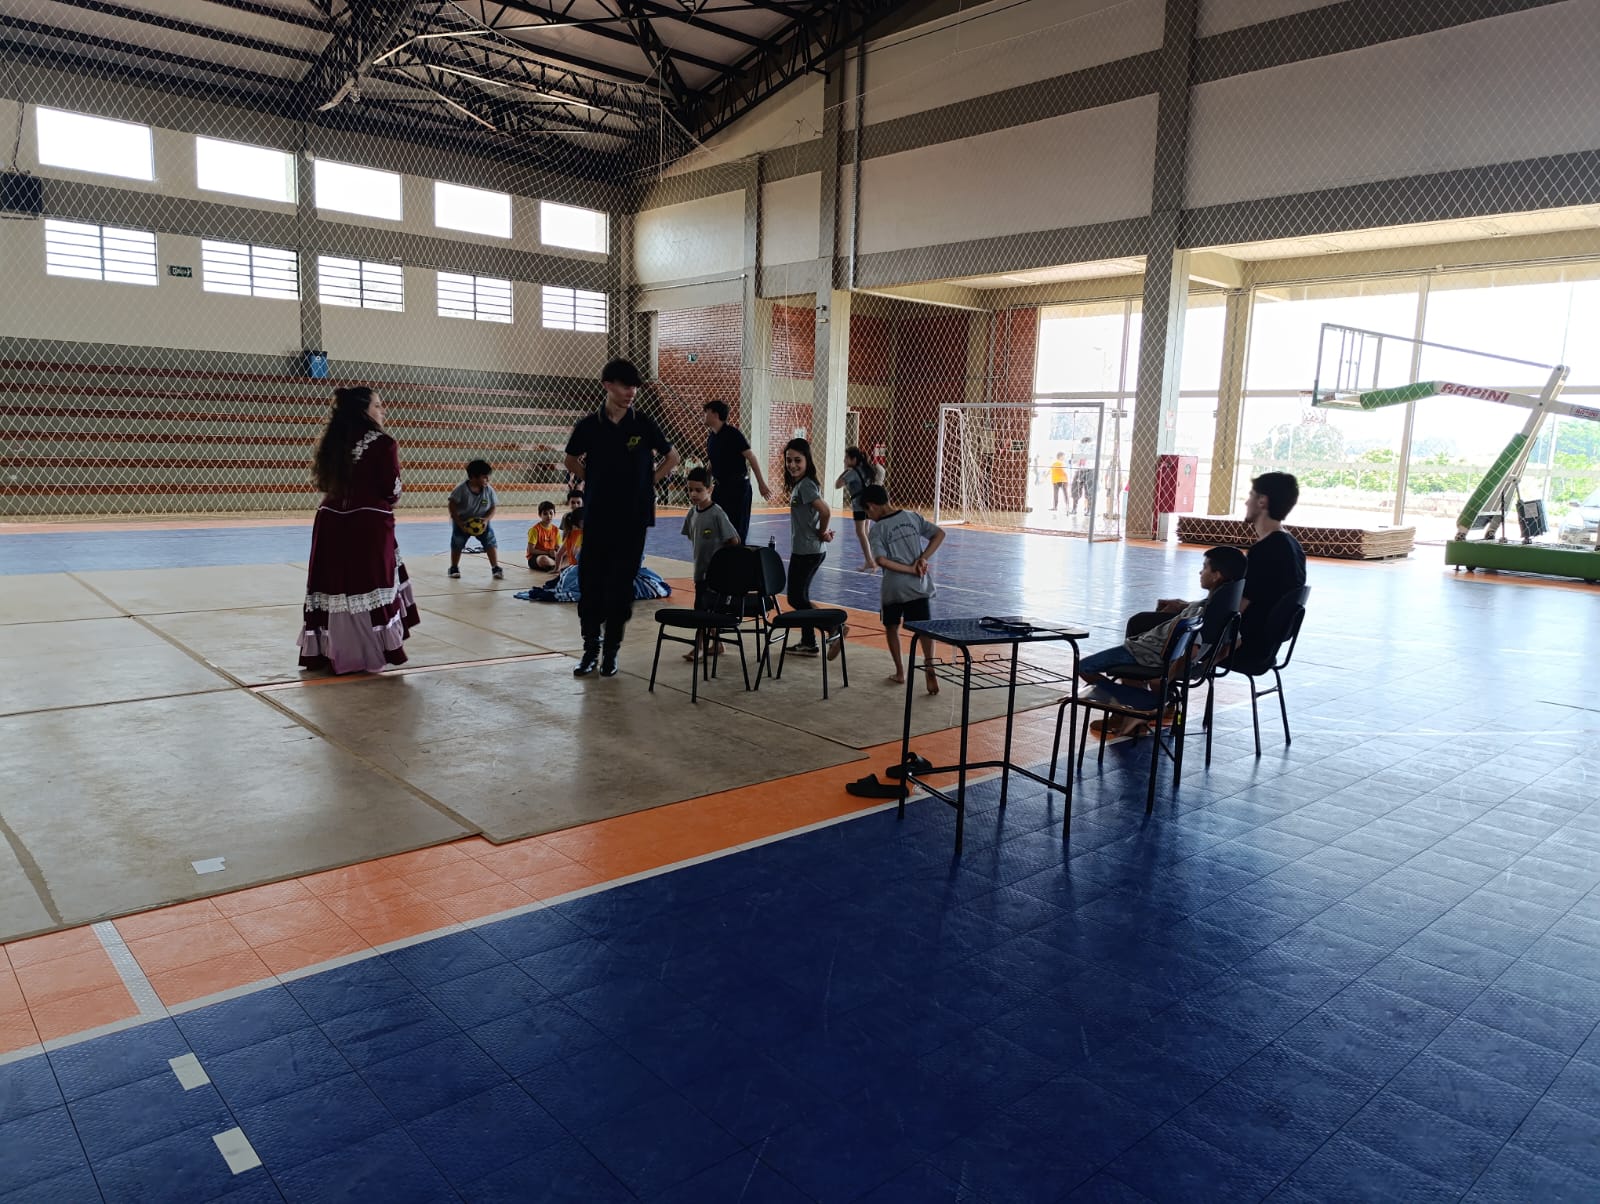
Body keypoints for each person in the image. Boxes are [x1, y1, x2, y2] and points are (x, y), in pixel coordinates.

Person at [564, 358, 679, 678]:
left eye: (635, 387)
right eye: (625, 386)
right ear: (608, 385)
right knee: (590, 583)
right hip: (599, 516)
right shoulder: (589, 425)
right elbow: (571, 459)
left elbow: (672, 456)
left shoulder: (643, 424)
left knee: (620, 587)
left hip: (633, 519)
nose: (631, 392)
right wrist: (593, 480)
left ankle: (611, 652)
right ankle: (590, 649)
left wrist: (648, 482)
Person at [298, 386, 419, 674]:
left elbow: (324, 483)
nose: (382, 410)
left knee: (334, 583)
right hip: (368, 522)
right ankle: (366, 652)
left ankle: (330, 652)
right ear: (363, 411)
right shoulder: (384, 443)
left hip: (330, 519)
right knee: (368, 583)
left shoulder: (332, 441)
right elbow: (391, 490)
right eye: (377, 405)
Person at [1077, 545, 1248, 735]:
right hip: (1147, 649)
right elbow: (1235, 642)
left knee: (1084, 667)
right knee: (1138, 625)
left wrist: (1168, 677)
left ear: (1217, 575)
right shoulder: (1224, 609)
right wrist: (1207, 664)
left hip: (1145, 652)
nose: (1200, 572)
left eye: (1205, 567)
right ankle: (1136, 710)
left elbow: (1191, 650)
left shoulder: (1199, 614)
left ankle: (1138, 706)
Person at [862, 484, 942, 693]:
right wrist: (922, 559)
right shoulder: (911, 516)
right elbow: (939, 534)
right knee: (924, 629)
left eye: (868, 513)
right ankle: (930, 666)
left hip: (894, 589)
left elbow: (881, 560)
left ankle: (900, 672)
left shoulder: (877, 529)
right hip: (918, 586)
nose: (869, 517)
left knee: (891, 627)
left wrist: (908, 569)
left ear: (871, 506)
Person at [1236, 471, 1307, 656]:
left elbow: (1237, 608)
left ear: (1262, 501)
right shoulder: (1294, 546)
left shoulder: (1265, 551)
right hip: (1267, 647)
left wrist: (1192, 611)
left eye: (1251, 495)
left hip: (1246, 644)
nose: (1246, 502)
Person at [680, 466, 740, 659]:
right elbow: (692, 535)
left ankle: (698, 646)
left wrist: (720, 559)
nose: (693, 494)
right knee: (704, 609)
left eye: (698, 490)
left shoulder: (717, 513)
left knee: (702, 609)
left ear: (710, 489)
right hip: (700, 571)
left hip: (714, 575)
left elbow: (734, 540)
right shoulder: (692, 513)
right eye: (690, 490)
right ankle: (718, 644)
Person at [782, 437, 835, 656]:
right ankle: (809, 642)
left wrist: (822, 532)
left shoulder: (805, 485)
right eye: (789, 460)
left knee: (796, 598)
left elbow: (825, 511)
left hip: (808, 551)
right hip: (805, 549)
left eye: (798, 460)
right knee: (800, 597)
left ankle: (833, 628)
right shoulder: (802, 484)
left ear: (807, 461)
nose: (792, 465)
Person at [702, 399, 772, 543]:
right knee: (717, 527)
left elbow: (751, 457)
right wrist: (705, 482)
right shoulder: (711, 438)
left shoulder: (733, 434)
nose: (704, 415)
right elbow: (712, 462)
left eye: (706, 412)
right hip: (720, 488)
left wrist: (761, 484)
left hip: (738, 489)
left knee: (736, 531)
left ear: (715, 415)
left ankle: (738, 555)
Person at [448, 458, 502, 580]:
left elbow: (493, 507)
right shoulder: (461, 489)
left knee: (490, 542)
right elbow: (452, 505)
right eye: (484, 477)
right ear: (473, 477)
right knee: (457, 543)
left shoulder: (488, 490)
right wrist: (459, 523)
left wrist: (486, 520)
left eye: (488, 476)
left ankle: (495, 567)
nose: (487, 479)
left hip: (482, 522)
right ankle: (454, 567)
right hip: (463, 521)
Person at [835, 446, 881, 573]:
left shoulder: (852, 473)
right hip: (869, 505)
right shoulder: (865, 469)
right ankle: (870, 559)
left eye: (846, 458)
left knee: (860, 532)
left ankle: (870, 560)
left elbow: (837, 485)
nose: (844, 460)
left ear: (853, 459)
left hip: (859, 506)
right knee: (865, 532)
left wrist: (845, 471)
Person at [527, 501, 560, 572]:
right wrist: (548, 552)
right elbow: (531, 550)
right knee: (543, 559)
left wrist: (557, 552)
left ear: (554, 514)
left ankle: (554, 566)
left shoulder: (556, 530)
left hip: (551, 555)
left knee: (570, 555)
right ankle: (558, 565)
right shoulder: (535, 530)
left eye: (551, 513)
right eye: (545, 514)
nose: (549, 516)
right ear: (540, 515)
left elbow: (558, 547)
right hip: (537, 557)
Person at [1070, 437, 1095, 516]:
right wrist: (1073, 460)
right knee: (1075, 489)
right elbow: (1075, 460)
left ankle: (1089, 510)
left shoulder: (1092, 449)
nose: (1085, 445)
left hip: (1090, 470)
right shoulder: (1079, 449)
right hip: (1080, 470)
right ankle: (1074, 509)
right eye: (1084, 443)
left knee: (1089, 491)